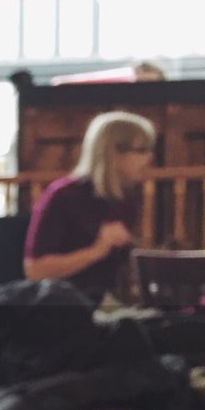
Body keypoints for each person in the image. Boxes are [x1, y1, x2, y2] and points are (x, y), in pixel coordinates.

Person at [22, 111, 155, 303]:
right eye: (142, 150)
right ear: (114, 153)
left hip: (102, 302)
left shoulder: (124, 199)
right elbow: (35, 271)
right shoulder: (62, 196)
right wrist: (97, 250)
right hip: (61, 305)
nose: (149, 158)